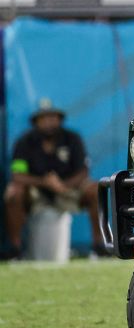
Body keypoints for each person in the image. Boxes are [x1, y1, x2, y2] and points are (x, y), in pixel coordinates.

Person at [4, 100, 102, 258]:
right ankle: (15, 249)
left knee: (97, 189)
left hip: (68, 189)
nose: (49, 122)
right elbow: (18, 175)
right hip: (37, 192)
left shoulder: (72, 138)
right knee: (14, 192)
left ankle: (99, 246)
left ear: (60, 120)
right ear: (36, 122)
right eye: (44, 118)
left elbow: (83, 171)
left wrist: (62, 186)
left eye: (53, 118)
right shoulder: (24, 142)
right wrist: (45, 182)